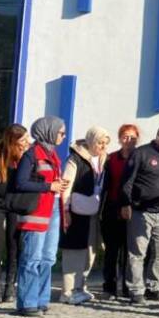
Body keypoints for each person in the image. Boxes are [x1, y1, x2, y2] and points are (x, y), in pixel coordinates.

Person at [13, 116, 68, 316]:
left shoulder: (53, 155)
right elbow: (20, 183)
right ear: (49, 132)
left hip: (53, 209)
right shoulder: (31, 154)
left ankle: (41, 300)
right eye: (61, 132)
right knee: (32, 258)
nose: (63, 136)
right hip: (36, 214)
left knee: (48, 258)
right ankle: (27, 303)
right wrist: (49, 186)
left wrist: (58, 185)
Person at [121, 123, 159, 305]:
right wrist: (126, 204)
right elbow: (127, 181)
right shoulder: (141, 153)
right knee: (137, 253)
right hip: (141, 211)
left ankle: (154, 286)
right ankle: (136, 290)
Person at [59, 126, 109, 305]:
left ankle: (81, 287)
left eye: (105, 143)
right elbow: (66, 186)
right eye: (99, 143)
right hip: (76, 211)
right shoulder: (75, 159)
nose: (102, 146)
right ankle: (68, 291)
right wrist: (66, 211)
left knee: (90, 251)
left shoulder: (103, 160)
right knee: (74, 251)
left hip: (93, 213)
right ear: (90, 141)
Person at [0, 125, 29, 303]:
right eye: (23, 139)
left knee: (14, 243)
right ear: (12, 140)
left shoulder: (25, 156)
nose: (26, 142)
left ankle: (10, 286)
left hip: (15, 203)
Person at [102, 124, 139, 299]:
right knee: (112, 250)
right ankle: (109, 286)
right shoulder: (111, 159)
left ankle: (126, 286)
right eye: (125, 137)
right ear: (119, 139)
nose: (129, 140)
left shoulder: (141, 157)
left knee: (128, 251)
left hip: (132, 209)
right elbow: (104, 186)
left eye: (132, 137)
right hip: (112, 208)